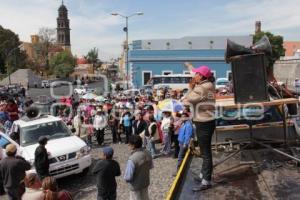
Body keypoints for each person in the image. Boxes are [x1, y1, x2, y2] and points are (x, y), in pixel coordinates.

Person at [184, 65, 216, 191]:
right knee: (205, 150)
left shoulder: (201, 88)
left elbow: (187, 100)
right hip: (207, 121)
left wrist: (190, 88)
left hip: (204, 122)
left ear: (201, 76)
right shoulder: (208, 85)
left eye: (196, 74)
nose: (194, 76)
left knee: (206, 153)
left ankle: (206, 181)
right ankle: (204, 175)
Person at [124, 135, 153, 200]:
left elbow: (128, 177)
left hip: (135, 186)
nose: (128, 145)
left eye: (129, 143)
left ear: (133, 145)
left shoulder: (132, 159)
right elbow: (150, 166)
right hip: (145, 182)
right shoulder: (148, 153)